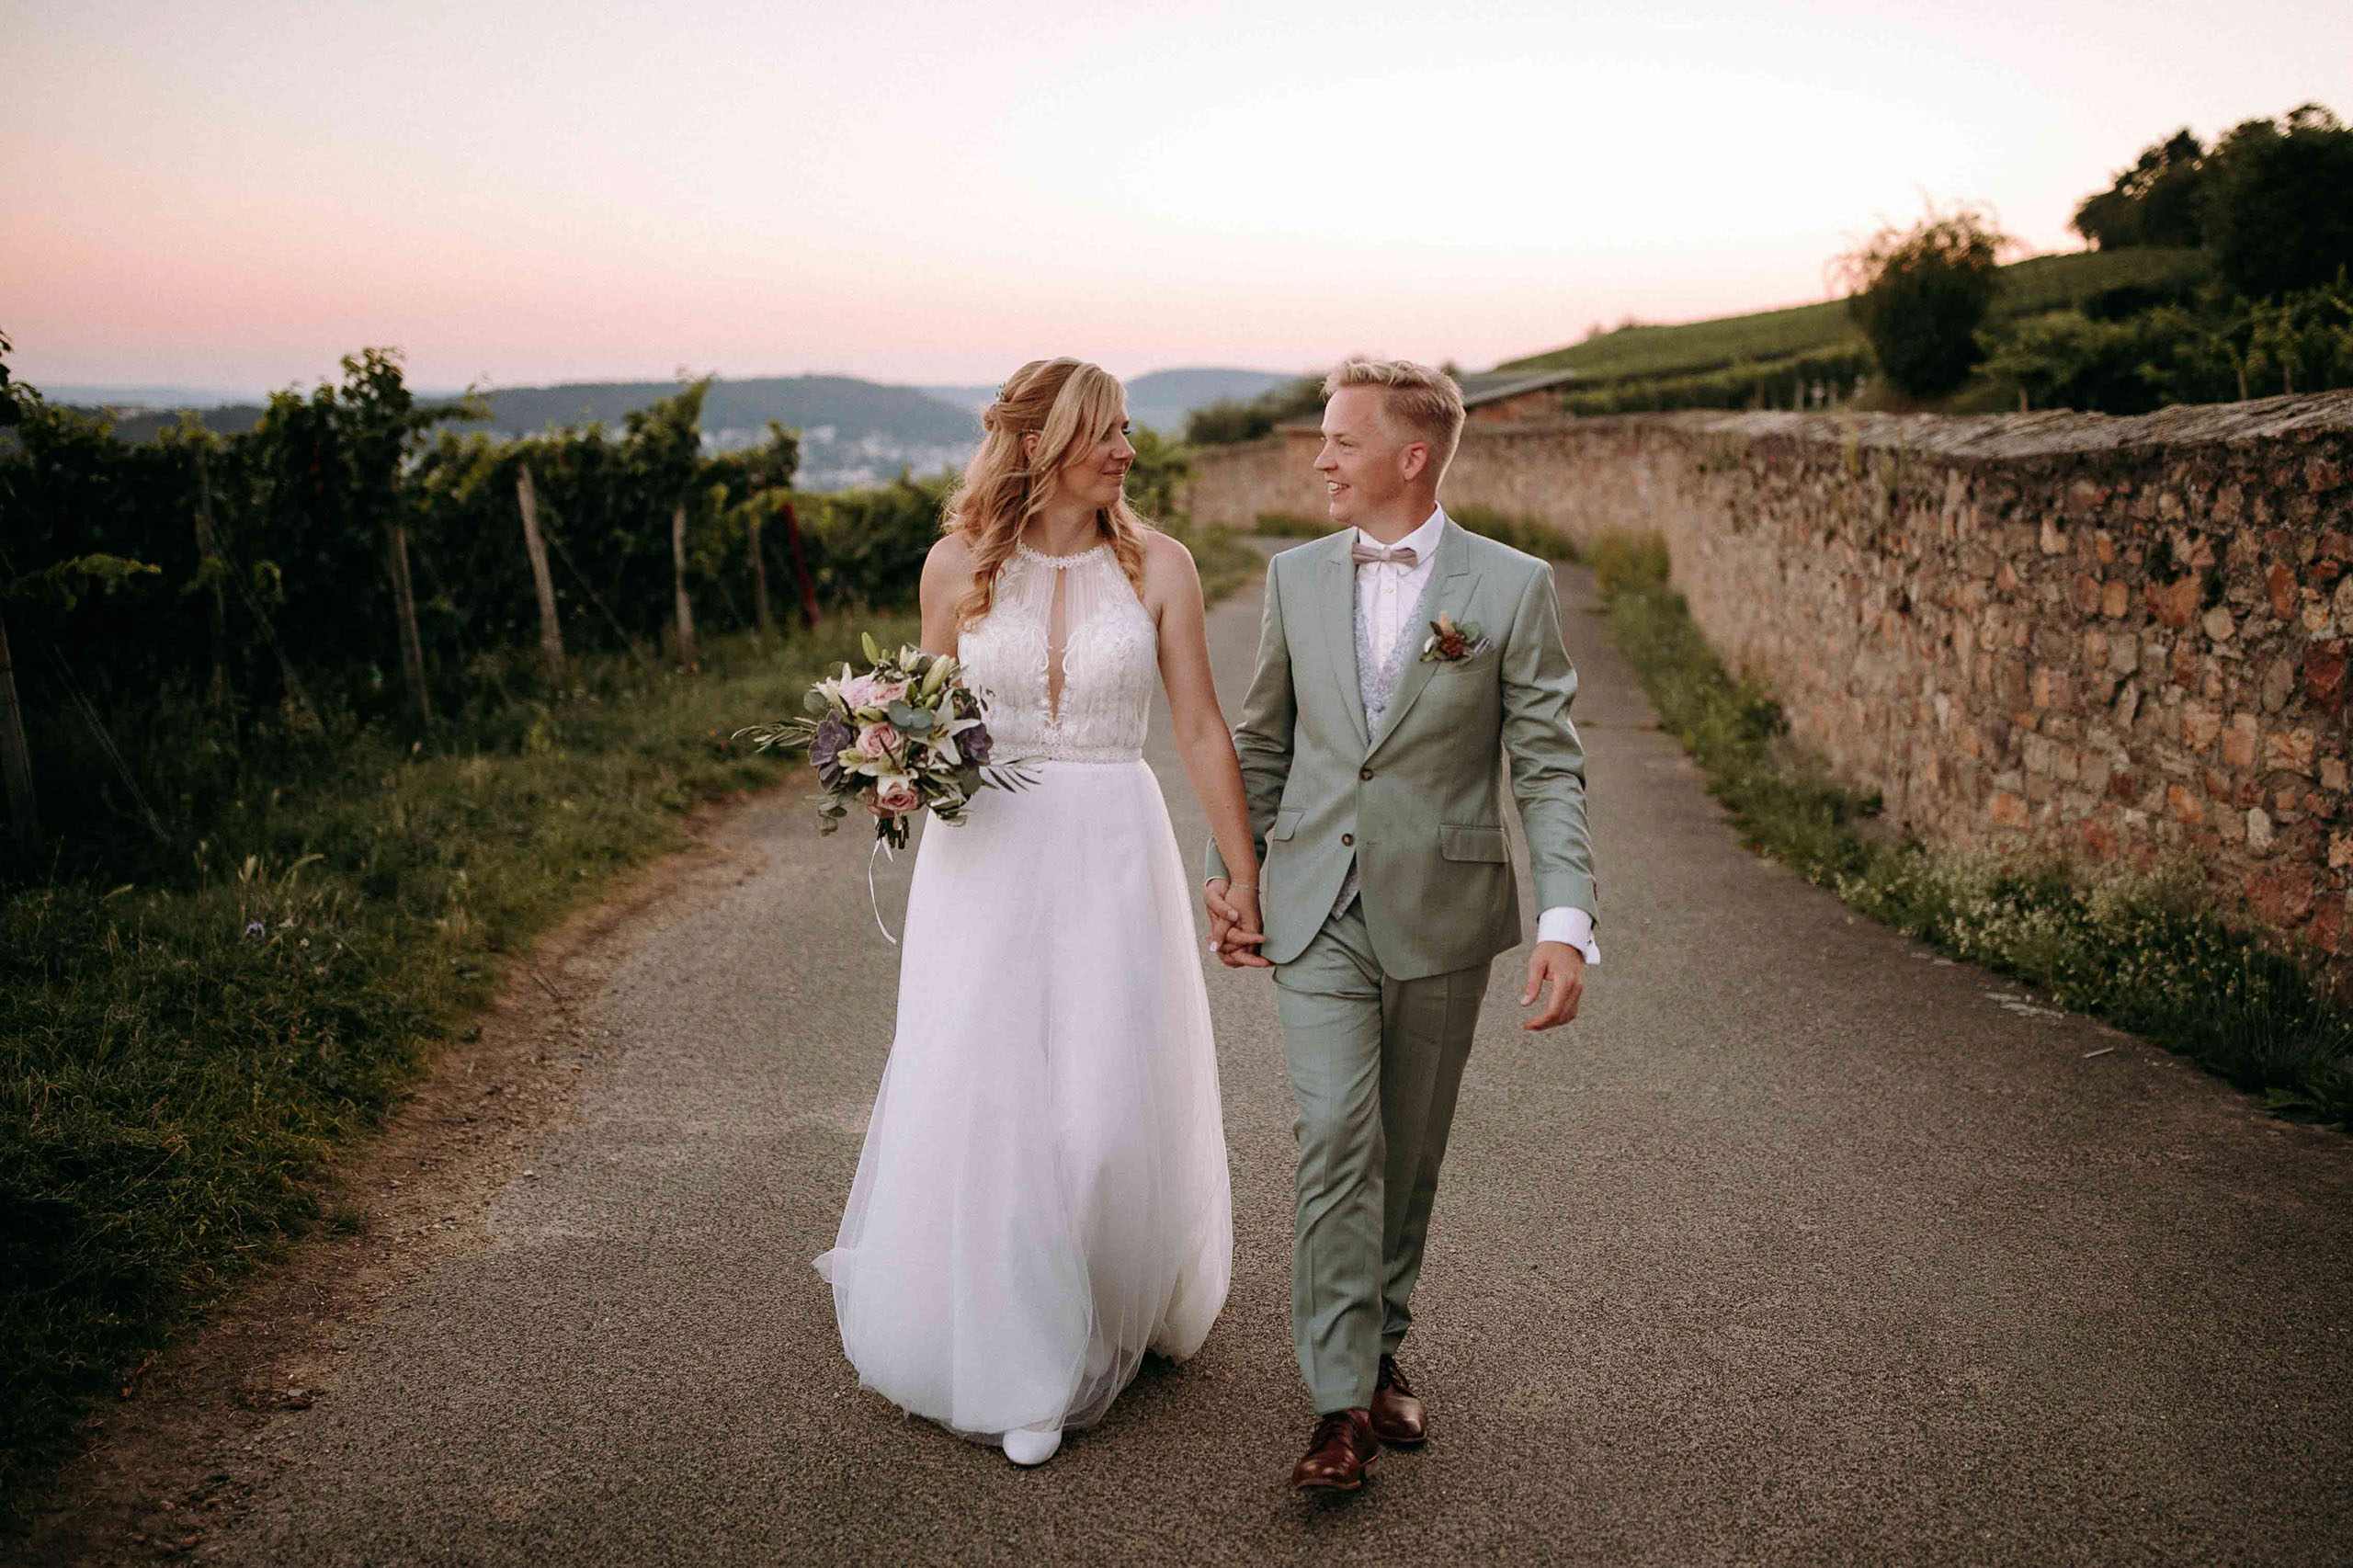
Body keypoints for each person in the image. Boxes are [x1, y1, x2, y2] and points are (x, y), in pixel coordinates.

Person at [815, 358, 1260, 1467]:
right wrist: (889, 764)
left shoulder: (1163, 565)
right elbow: (927, 712)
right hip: (988, 859)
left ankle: (1112, 1294)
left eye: (1123, 431)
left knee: (1107, 1112)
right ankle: (1025, 1358)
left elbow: (1200, 726)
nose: (1124, 449)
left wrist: (1242, 869)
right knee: (993, 1098)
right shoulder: (956, 565)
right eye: (1102, 432)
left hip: (1116, 842)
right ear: (1035, 443)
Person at [1207, 358, 1600, 1491]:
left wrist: (1564, 918)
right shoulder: (1292, 577)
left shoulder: (1512, 586)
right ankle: (1336, 1406)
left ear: (1410, 455)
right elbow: (1264, 742)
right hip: (1314, 902)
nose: (1321, 458)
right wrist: (1233, 875)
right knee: (1335, 1130)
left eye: (1339, 439)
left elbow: (1549, 767)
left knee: (1408, 1146)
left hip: (1443, 907)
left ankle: (1380, 1341)